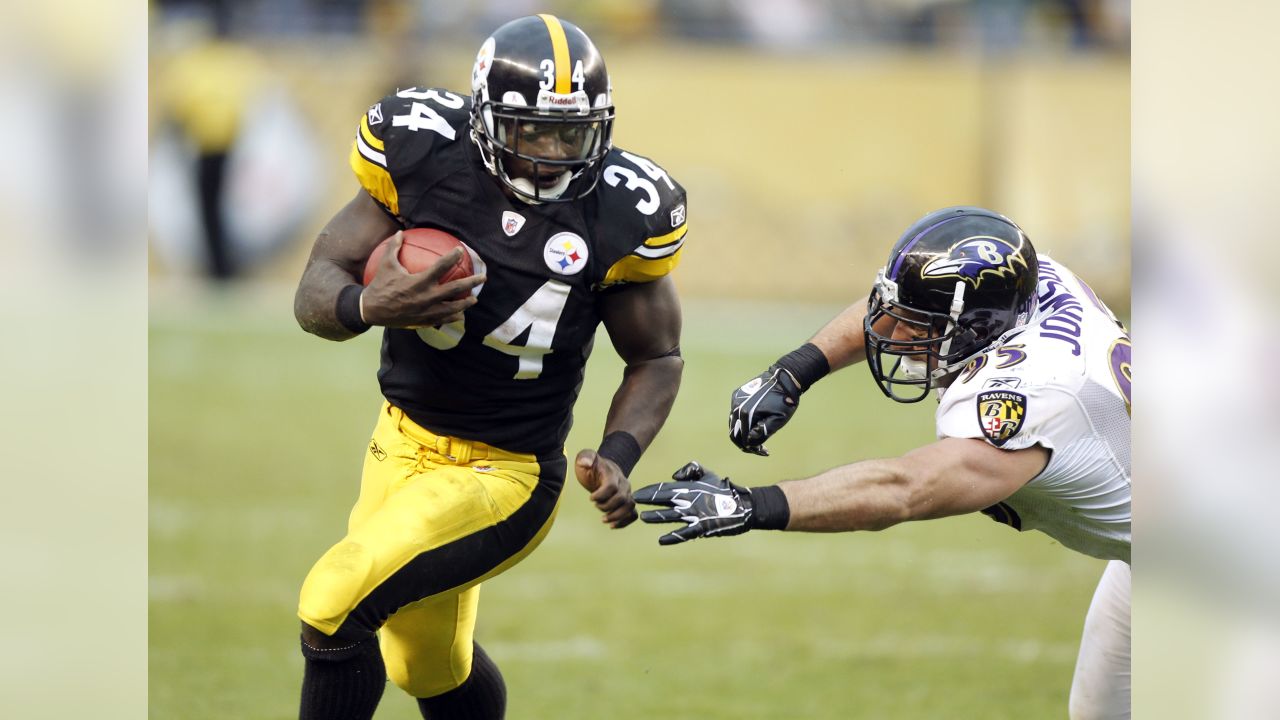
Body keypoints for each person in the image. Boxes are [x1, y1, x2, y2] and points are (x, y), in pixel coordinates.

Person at [291, 15, 688, 720]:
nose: (551, 153)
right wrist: (367, 304)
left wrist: (622, 453)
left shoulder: (624, 211)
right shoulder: (421, 153)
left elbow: (656, 356)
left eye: (571, 133)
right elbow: (317, 284)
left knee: (332, 603)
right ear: (482, 118)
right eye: (530, 131)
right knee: (426, 665)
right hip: (397, 442)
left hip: (505, 474)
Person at [636, 206, 1131, 719]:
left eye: (916, 327)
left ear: (978, 328)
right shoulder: (1023, 284)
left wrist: (751, 504)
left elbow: (906, 488)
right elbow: (903, 302)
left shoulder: (1036, 392)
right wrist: (795, 371)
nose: (892, 336)